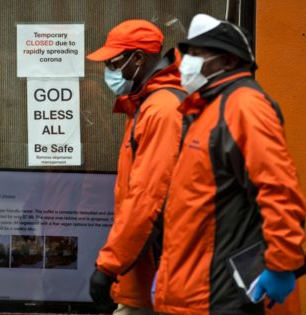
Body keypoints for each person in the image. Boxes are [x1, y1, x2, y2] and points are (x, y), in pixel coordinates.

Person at [153, 13, 305, 315]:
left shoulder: (244, 106)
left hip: (217, 297)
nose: (186, 63)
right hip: (194, 291)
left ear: (227, 61)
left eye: (196, 54)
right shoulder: (209, 108)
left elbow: (278, 190)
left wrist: (281, 264)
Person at [86, 20, 187, 314]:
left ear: (139, 58)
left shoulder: (162, 110)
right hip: (149, 272)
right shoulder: (148, 105)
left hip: (158, 273)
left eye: (114, 62)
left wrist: (109, 266)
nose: (109, 71)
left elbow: (148, 199)